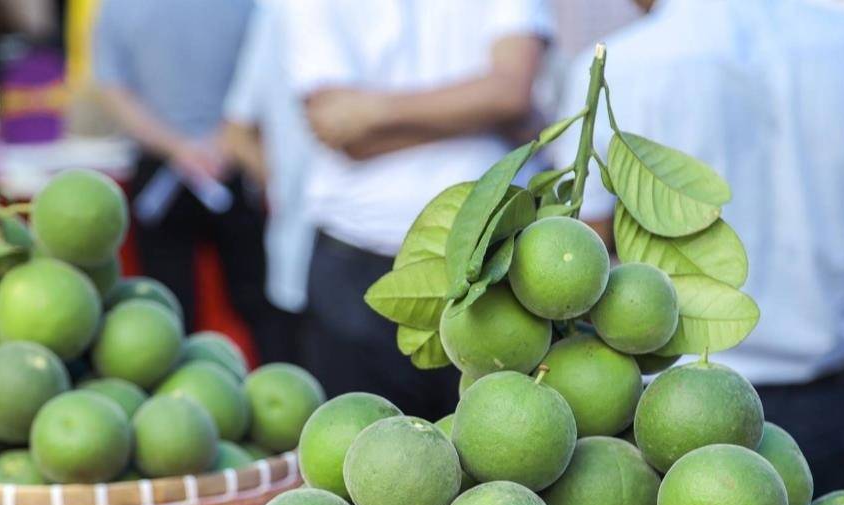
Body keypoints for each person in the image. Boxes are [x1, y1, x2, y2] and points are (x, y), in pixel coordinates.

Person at [552, 0, 844, 496]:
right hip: (822, 401)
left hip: (672, 409)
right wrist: (827, 212)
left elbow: (577, 262)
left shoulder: (621, 63)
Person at [281, 0, 552, 419]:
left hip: (495, 260)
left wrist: (371, 111)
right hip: (356, 258)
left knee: (502, 458)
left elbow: (510, 94)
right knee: (362, 459)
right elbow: (341, 131)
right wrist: (484, 110)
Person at [93, 0, 288, 359]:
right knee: (263, 312)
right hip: (228, 161)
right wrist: (223, 140)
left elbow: (112, 88)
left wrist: (178, 146)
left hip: (173, 164)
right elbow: (273, 76)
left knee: (166, 315)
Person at [221, 0, 313, 358]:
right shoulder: (281, 12)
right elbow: (236, 132)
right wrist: (285, 185)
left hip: (419, 262)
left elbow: (236, 133)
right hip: (303, 254)